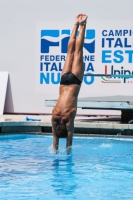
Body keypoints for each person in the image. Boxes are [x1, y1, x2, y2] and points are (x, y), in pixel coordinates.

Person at [51, 14, 88, 154]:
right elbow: (55, 140)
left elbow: (69, 144)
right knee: (69, 52)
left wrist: (66, 155)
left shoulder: (68, 117)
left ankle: (83, 24)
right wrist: (55, 146)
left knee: (78, 51)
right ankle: (75, 25)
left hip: (74, 82)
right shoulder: (54, 115)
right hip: (64, 81)